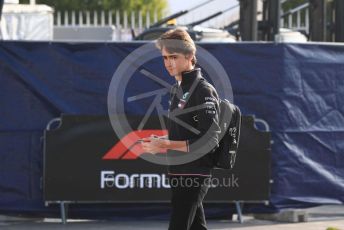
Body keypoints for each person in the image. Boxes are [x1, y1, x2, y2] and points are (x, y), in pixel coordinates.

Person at [141, 28, 221, 230]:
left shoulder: (203, 90)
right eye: (165, 58)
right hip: (179, 170)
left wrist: (166, 144)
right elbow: (184, 132)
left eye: (173, 57)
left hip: (195, 173)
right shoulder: (177, 89)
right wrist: (161, 143)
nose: (168, 63)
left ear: (190, 56)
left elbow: (210, 140)